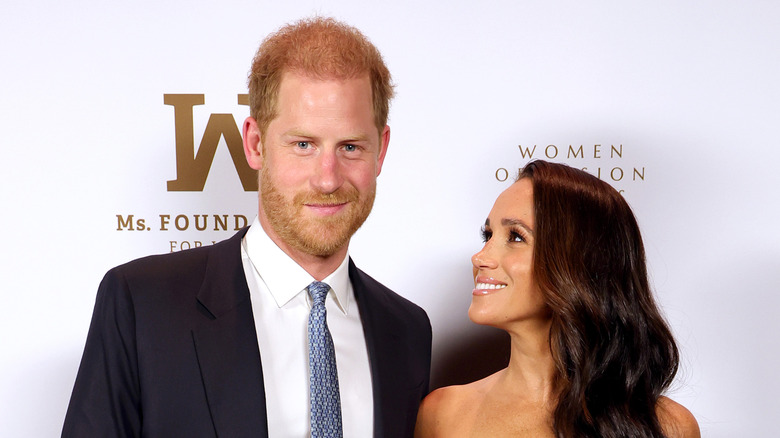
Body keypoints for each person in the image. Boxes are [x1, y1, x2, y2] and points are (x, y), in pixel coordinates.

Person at [62, 17, 431, 438]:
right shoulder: (142, 305)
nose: (328, 179)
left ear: (380, 151)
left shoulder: (406, 330)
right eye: (303, 145)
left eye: (350, 147)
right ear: (256, 144)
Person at [415, 160, 699, 438]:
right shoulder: (443, 415)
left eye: (515, 237)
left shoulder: (669, 426)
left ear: (580, 262)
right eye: (487, 235)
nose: (480, 258)